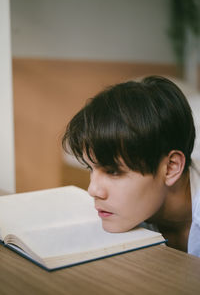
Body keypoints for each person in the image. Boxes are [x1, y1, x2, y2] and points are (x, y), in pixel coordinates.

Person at [62, 75, 200, 257]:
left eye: (113, 171)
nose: (93, 190)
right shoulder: (138, 211)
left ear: (170, 167)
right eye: (90, 168)